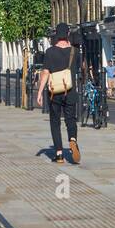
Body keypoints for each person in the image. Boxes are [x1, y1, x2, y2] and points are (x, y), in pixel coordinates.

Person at [35, 22, 80, 165]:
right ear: (67, 34)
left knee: (55, 122)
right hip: (70, 90)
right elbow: (78, 71)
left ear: (56, 35)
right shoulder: (75, 51)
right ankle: (72, 139)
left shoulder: (50, 52)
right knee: (70, 119)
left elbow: (45, 73)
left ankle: (59, 154)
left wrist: (40, 92)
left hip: (54, 92)